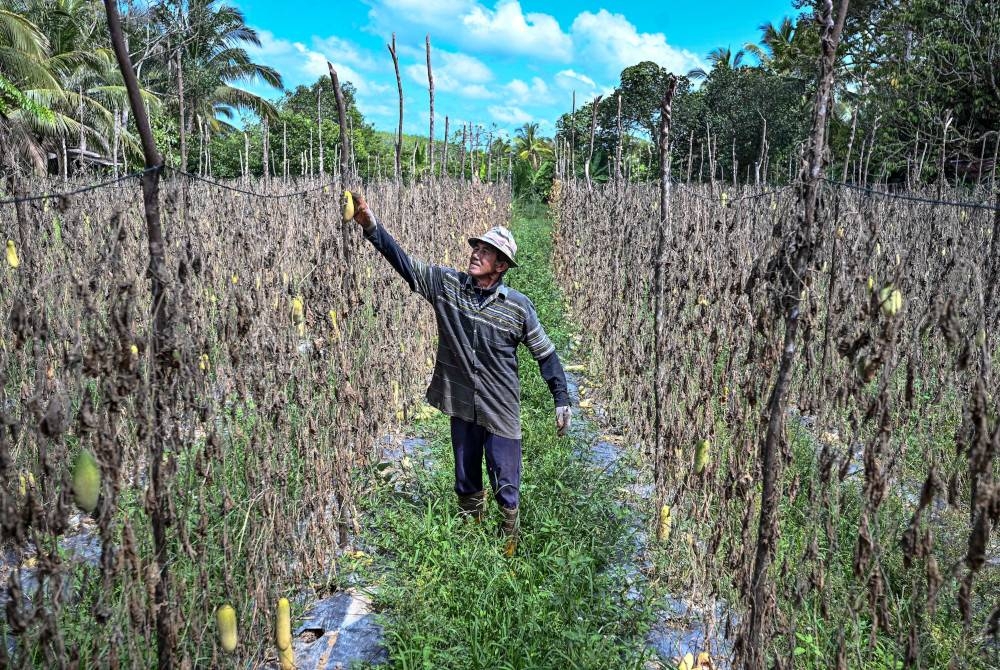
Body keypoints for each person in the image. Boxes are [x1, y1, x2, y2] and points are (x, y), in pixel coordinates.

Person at [348, 191, 571, 556]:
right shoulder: (447, 286)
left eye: (485, 252)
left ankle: (508, 548)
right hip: (463, 405)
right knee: (466, 480)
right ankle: (471, 540)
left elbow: (545, 354)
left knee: (507, 484)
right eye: (477, 248)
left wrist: (561, 399)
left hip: (500, 409)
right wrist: (371, 226)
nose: (476, 253)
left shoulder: (518, 308)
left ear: (501, 266)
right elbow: (404, 263)